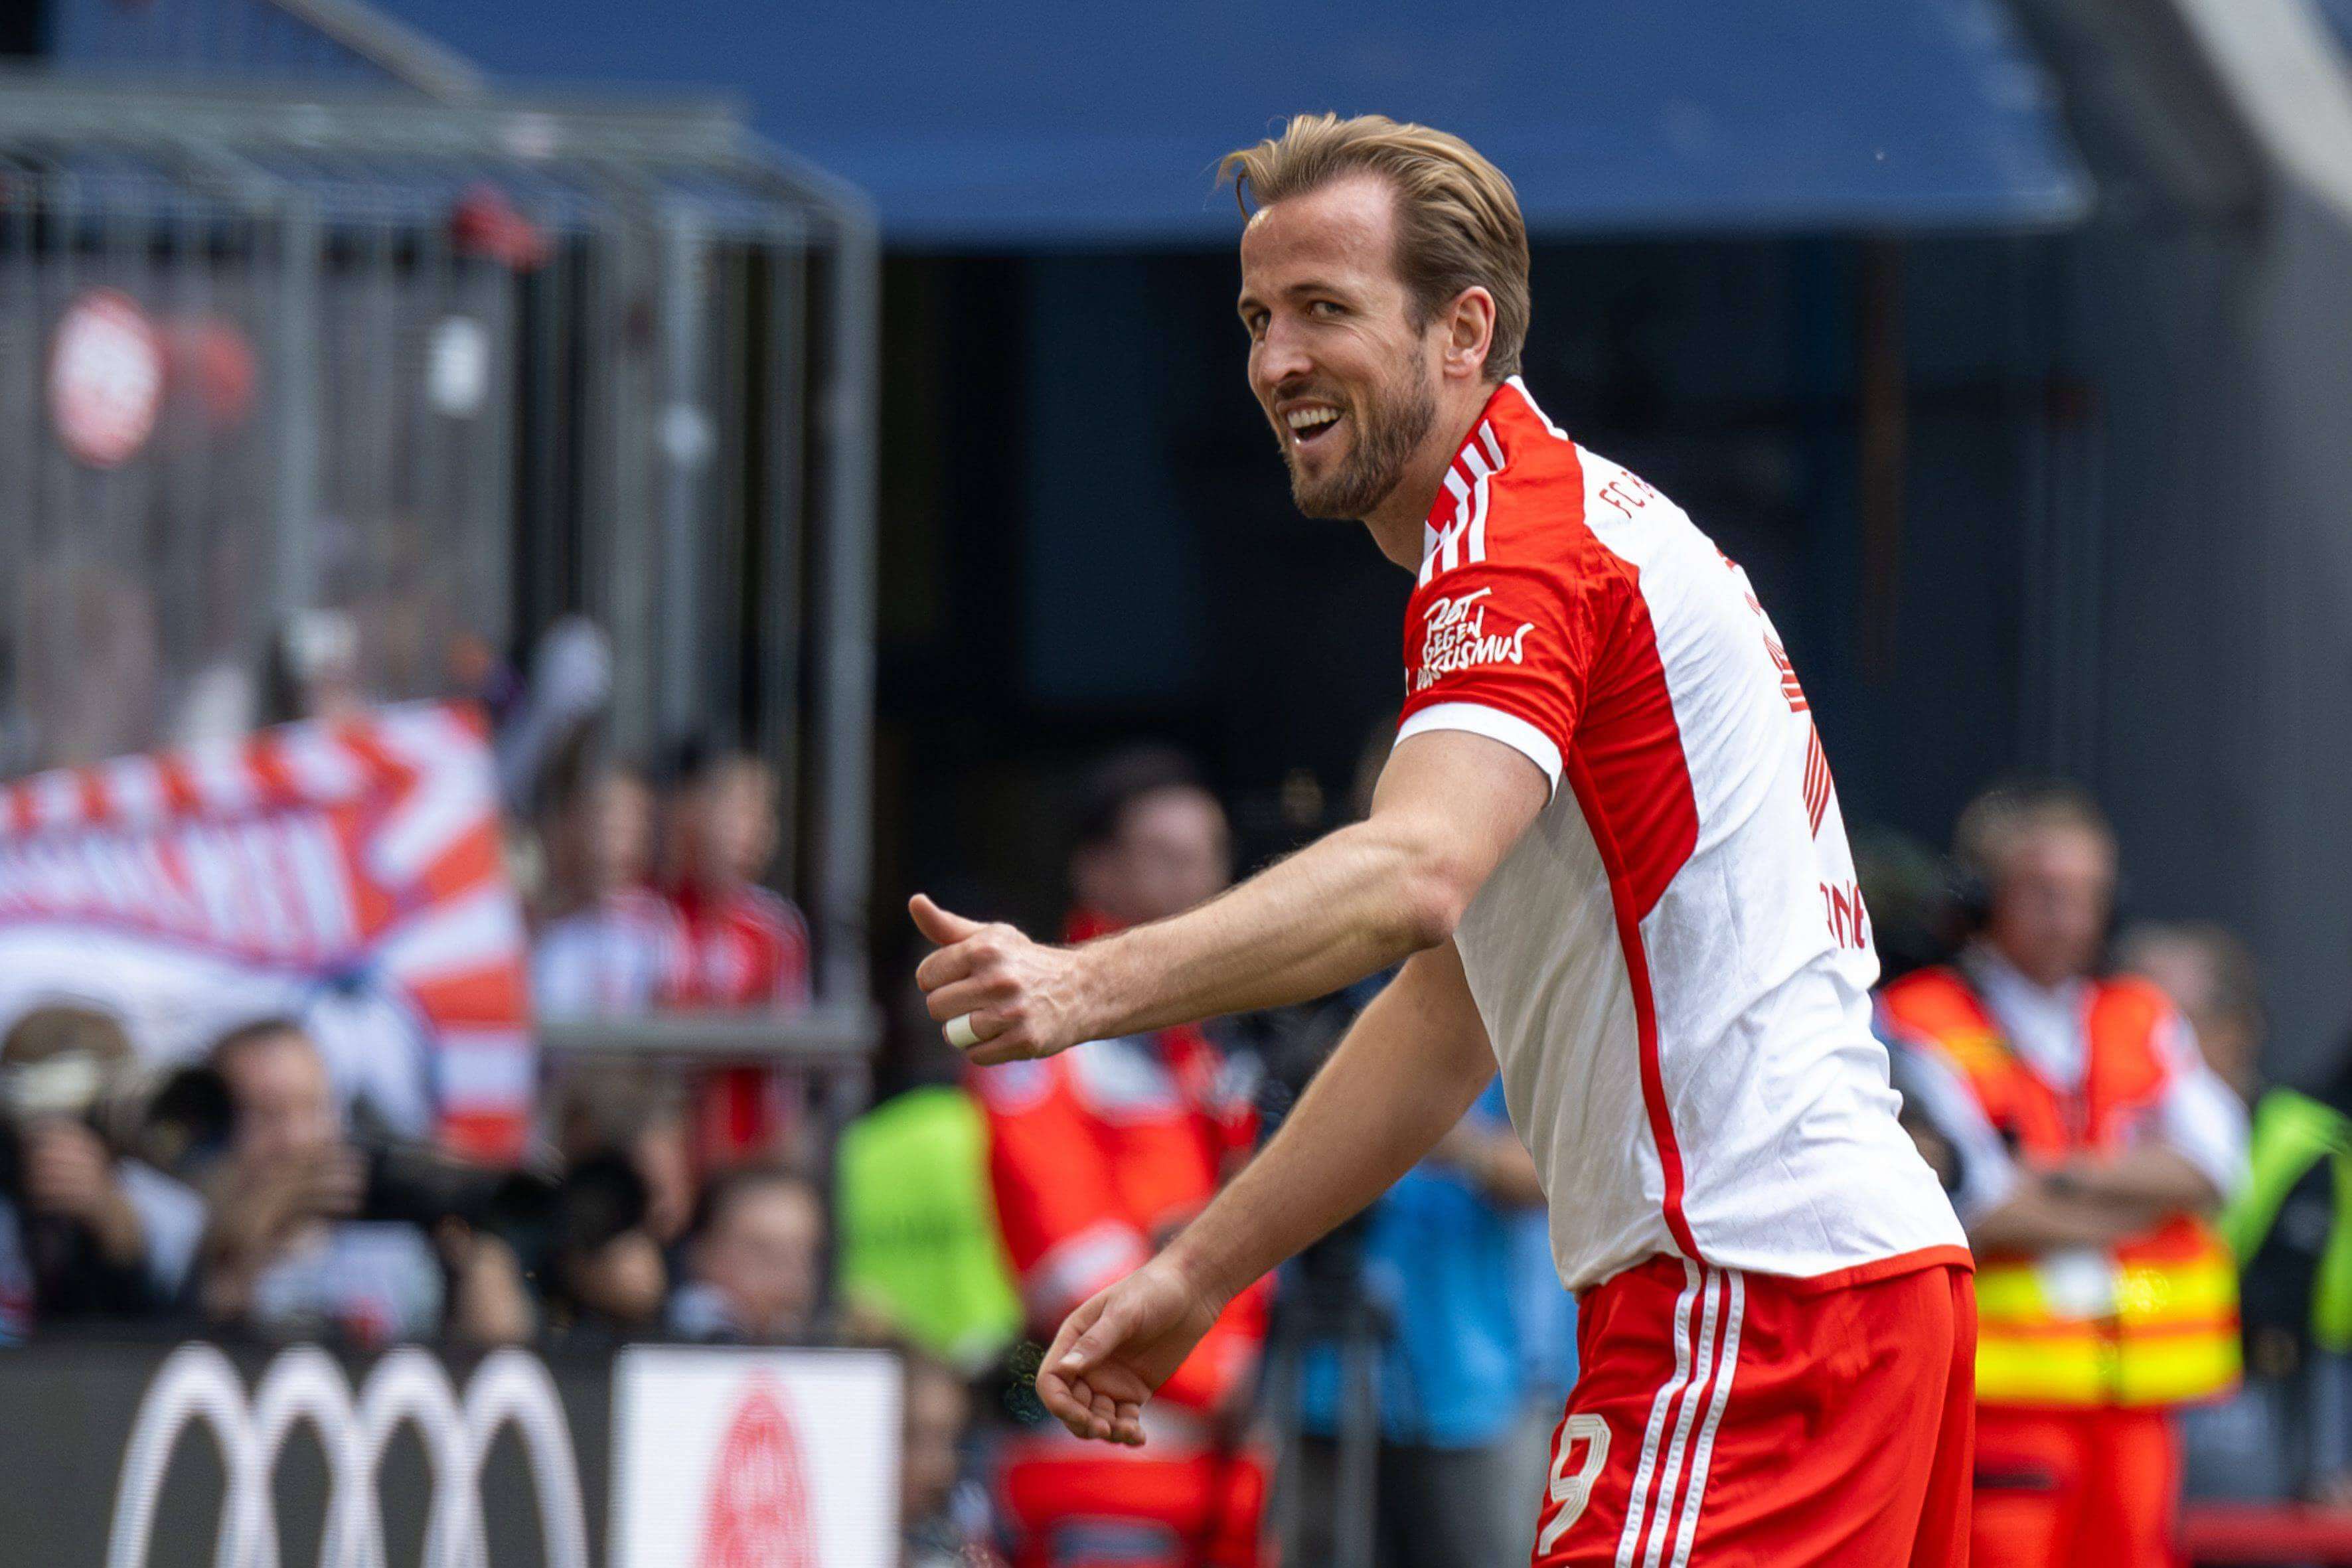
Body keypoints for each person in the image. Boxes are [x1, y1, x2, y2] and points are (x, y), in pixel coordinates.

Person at [911, 114, 1972, 1566]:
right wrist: (1199, 1270)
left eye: (1324, 310)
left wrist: (1082, 984)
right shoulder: (1562, 531)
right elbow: (1455, 1004)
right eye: (1256, 316)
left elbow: (1411, 879)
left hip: (1747, 1292)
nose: (1274, 359)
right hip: (1839, 1280)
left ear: (1464, 328)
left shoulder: (1521, 546)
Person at [1878, 781, 2247, 1568]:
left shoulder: (2140, 1014)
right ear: (1981, 897)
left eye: (2089, 893)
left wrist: (2058, 1179)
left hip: (2140, 1399)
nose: (2070, 915)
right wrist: (2141, 1195)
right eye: (2044, 891)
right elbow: (1973, 1205)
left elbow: (2217, 1166)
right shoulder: (1922, 1018)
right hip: (2004, 1397)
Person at [976, 748, 1269, 1568]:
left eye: (1209, 856)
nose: (1197, 881)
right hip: (1101, 1478)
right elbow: (1070, 1265)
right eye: (1165, 856)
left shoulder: (1217, 1052)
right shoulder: (1039, 1043)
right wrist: (1233, 1376)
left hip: (1231, 1480)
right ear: (1095, 868)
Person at [194, 1019, 449, 1344]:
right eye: (266, 1115)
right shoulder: (179, 1235)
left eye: (313, 1109)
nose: (296, 1140)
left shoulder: (393, 1241)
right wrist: (250, 1244)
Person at [655, 741, 815, 1161]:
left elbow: (789, 1064)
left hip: (748, 1153)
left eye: (766, 813)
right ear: (691, 813)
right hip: (660, 1152)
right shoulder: (653, 918)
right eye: (740, 810)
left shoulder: (779, 928)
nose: (757, 829)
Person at [532, 763, 682, 1020]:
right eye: (606, 816)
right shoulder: (540, 927)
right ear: (573, 822)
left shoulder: (666, 927)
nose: (618, 833)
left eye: (634, 818)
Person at [667, 1165, 826, 1342]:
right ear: (702, 1254)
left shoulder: (823, 1347)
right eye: (769, 1257)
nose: (795, 1281)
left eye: (806, 1258)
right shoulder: (656, 1346)